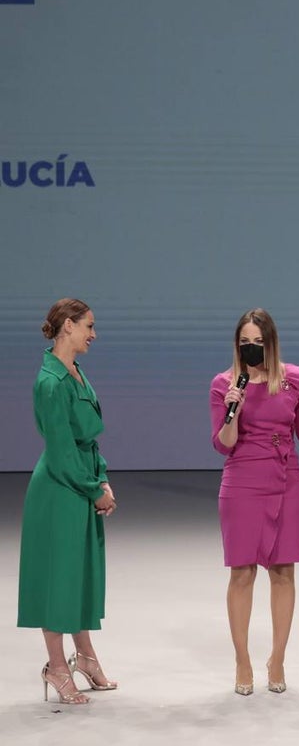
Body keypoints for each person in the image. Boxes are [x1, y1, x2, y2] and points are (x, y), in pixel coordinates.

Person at [211, 308, 299, 695]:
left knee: (283, 571)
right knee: (242, 572)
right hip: (243, 479)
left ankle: (277, 658)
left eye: (258, 343)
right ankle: (242, 660)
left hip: (286, 479)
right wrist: (234, 409)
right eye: (244, 343)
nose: (251, 349)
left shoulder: (293, 377)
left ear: (272, 343)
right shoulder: (224, 383)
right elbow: (223, 444)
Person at [18, 299, 118, 705]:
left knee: (78, 576)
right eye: (88, 326)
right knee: (58, 580)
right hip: (60, 491)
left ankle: (86, 658)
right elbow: (60, 452)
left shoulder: (75, 372)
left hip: (80, 480)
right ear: (67, 327)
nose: (93, 334)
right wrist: (95, 488)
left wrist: (102, 478)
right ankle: (57, 667)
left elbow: (86, 440)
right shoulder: (51, 382)